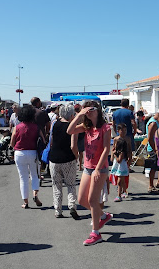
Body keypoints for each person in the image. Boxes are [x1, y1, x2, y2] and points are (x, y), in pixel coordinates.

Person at [67, 100, 112, 246]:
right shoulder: (86, 127)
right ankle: (103, 216)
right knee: (81, 200)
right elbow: (70, 130)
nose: (89, 111)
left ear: (98, 110)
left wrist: (98, 168)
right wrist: (79, 115)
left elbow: (106, 149)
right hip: (87, 167)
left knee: (93, 200)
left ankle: (96, 233)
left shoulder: (105, 128)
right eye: (87, 109)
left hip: (100, 167)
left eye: (91, 109)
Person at [48, 105, 80, 219]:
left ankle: (58, 210)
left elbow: (51, 141)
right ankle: (72, 205)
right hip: (68, 159)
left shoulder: (54, 124)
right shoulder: (72, 127)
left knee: (56, 186)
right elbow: (73, 146)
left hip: (54, 158)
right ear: (72, 115)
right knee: (70, 184)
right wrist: (77, 156)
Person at [10, 105, 44, 209]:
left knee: (23, 178)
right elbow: (43, 140)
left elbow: (12, 143)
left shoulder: (17, 127)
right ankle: (35, 194)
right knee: (34, 175)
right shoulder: (36, 127)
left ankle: (26, 202)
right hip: (33, 153)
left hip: (19, 153)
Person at [111, 123, 132, 201]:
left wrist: (130, 158)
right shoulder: (116, 139)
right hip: (118, 159)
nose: (124, 132)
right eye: (122, 131)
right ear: (118, 131)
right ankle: (124, 191)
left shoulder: (128, 139)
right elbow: (114, 148)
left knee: (122, 177)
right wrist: (112, 157)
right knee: (120, 177)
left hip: (124, 159)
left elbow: (129, 149)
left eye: (125, 130)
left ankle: (121, 193)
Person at [146, 113, 159, 193]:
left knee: (158, 166)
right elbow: (150, 138)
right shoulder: (153, 123)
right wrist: (155, 149)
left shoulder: (155, 122)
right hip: (153, 148)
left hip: (157, 147)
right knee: (153, 167)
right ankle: (151, 185)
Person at [74, 104, 85, 171]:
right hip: (81, 134)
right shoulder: (82, 116)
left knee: (74, 149)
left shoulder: (74, 116)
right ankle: (80, 166)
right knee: (81, 152)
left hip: (75, 133)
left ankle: (75, 164)